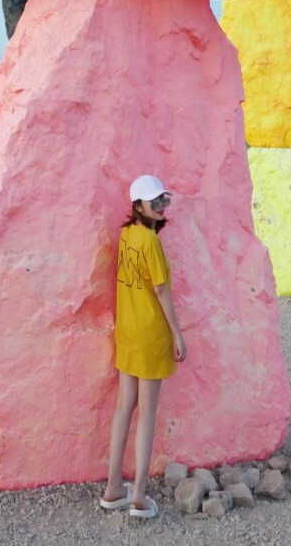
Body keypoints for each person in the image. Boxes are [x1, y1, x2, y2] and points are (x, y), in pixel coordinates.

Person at [100, 173, 186, 521]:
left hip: (128, 333)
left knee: (124, 409)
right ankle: (137, 495)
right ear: (138, 206)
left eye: (163, 200)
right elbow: (161, 292)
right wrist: (178, 334)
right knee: (146, 414)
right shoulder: (151, 243)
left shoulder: (126, 235)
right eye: (155, 202)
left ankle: (111, 488)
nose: (162, 207)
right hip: (150, 334)